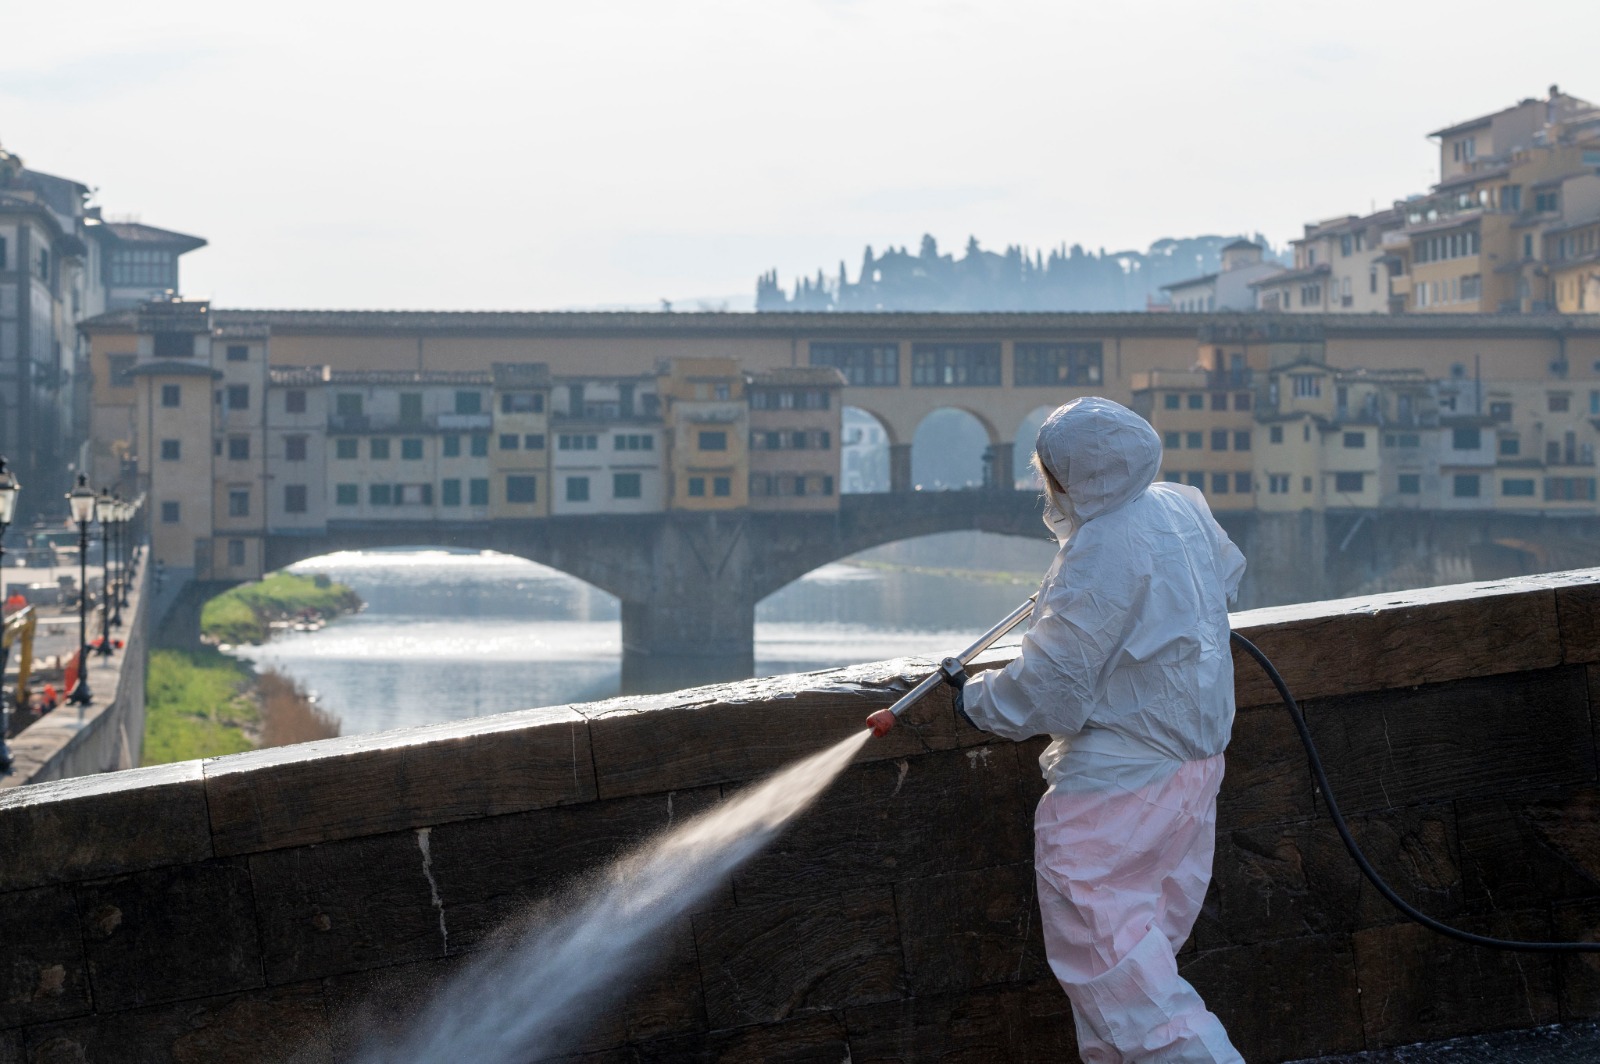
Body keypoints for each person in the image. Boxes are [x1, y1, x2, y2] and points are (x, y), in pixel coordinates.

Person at [955, 397, 1245, 1062]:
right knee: (1141, 960)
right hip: (1193, 768)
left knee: (1123, 984)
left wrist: (974, 702)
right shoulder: (1179, 504)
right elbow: (1225, 578)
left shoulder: (1097, 550)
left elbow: (1050, 690)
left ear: (1065, 476)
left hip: (1119, 786)